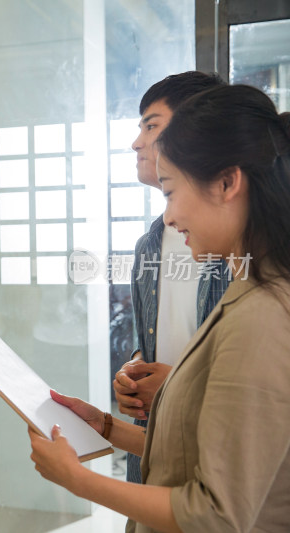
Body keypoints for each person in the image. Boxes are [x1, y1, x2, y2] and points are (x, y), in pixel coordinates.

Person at [30, 84, 290, 532]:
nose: (169, 217)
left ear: (227, 182)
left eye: (171, 191)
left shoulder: (262, 313)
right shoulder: (246, 293)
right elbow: (189, 444)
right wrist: (106, 426)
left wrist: (77, 479)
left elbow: (216, 515)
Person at [115, 71, 228, 483]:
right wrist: (134, 369)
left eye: (151, 125)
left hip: (215, 460)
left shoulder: (240, 245)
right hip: (153, 454)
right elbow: (154, 339)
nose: (137, 142)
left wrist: (178, 387)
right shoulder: (150, 242)